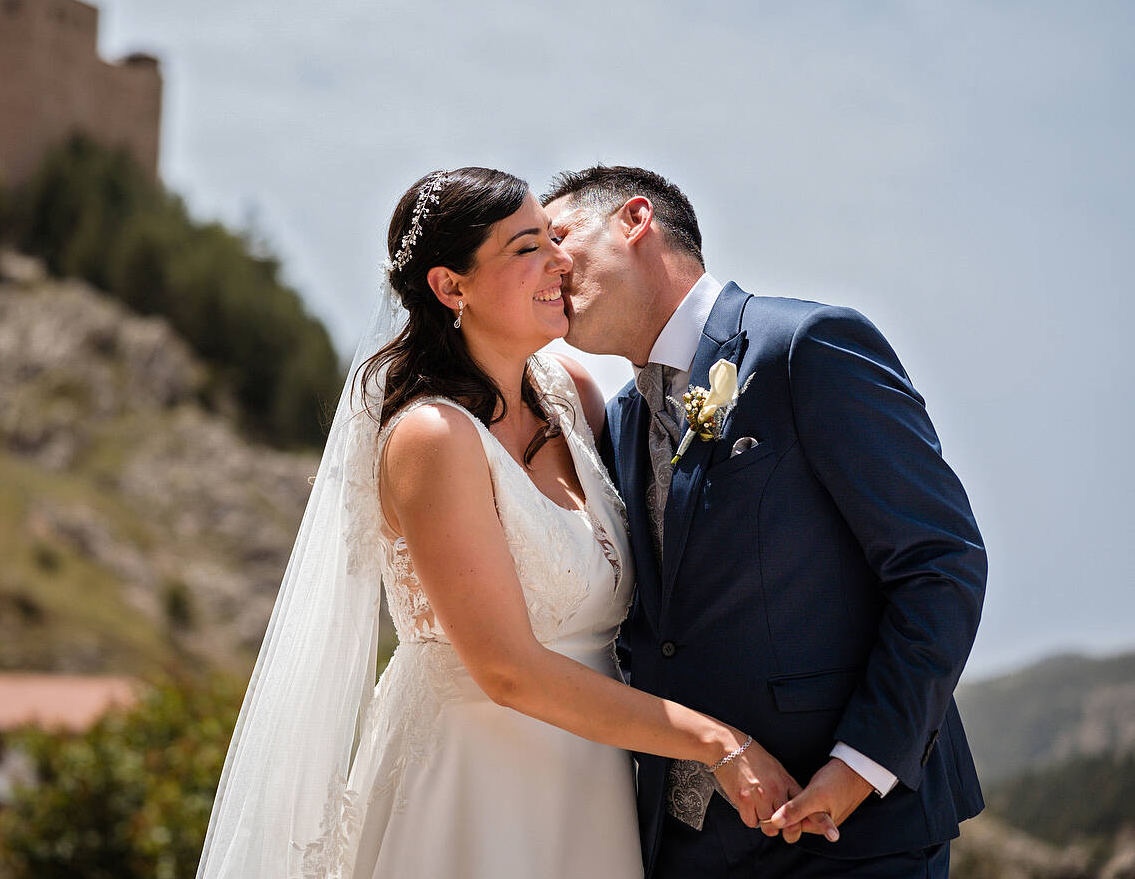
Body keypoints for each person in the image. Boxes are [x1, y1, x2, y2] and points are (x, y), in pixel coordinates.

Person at [196, 167, 835, 878]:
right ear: (451, 287)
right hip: (477, 787)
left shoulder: (574, 394)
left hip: (594, 785)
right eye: (528, 246)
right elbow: (506, 670)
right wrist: (719, 743)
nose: (559, 261)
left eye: (555, 240)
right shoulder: (431, 438)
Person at [542, 164, 987, 878]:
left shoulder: (805, 344)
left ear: (634, 219)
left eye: (558, 235)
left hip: (851, 837)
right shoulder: (621, 419)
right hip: (682, 847)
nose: (548, 265)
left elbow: (940, 563)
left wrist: (854, 770)